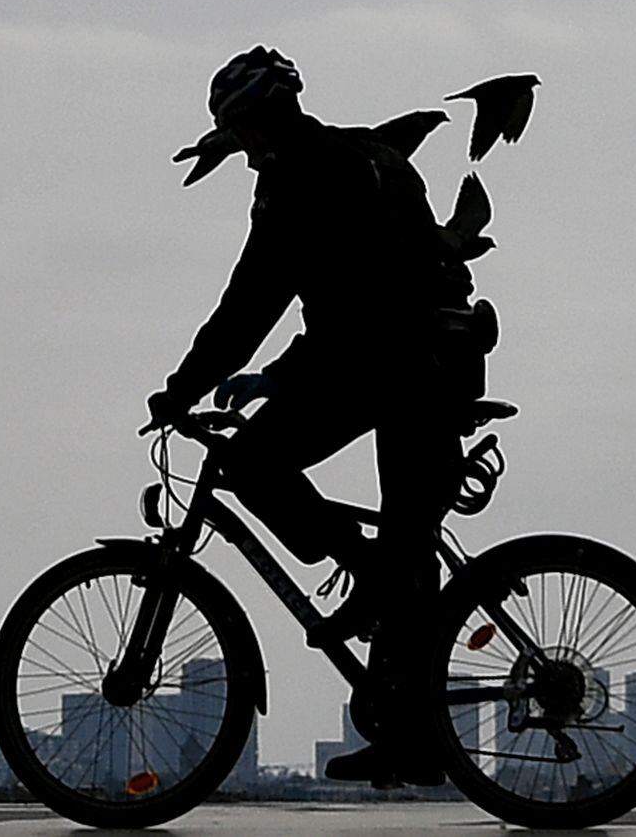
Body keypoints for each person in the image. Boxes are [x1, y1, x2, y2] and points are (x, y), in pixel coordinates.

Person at [150, 48, 490, 783]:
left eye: (235, 128)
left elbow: (253, 299)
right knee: (408, 542)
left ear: (258, 118)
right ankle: (413, 731)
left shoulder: (296, 176)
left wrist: (183, 386)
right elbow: (369, 282)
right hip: (439, 354)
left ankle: (367, 576)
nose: (238, 150)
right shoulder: (369, 153)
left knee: (250, 463)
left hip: (384, 361)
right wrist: (272, 376)